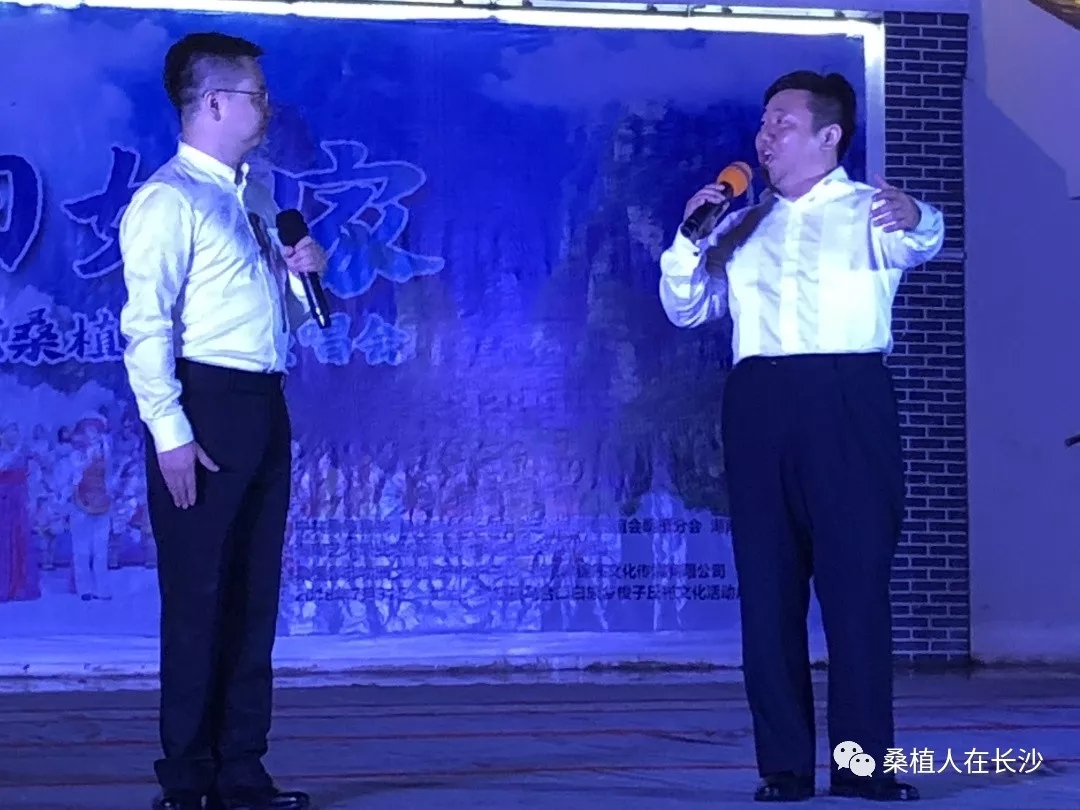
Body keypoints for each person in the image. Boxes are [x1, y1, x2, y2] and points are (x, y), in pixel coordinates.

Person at [658, 71, 944, 802]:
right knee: (768, 593)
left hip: (846, 398)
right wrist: (689, 240)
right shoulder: (741, 223)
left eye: (782, 123)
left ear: (829, 136)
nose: (766, 137)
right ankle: (784, 766)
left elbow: (923, 239)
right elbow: (687, 310)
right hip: (757, 402)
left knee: (855, 593)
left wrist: (917, 214)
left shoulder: (867, 210)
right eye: (763, 123)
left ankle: (863, 766)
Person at [119, 32, 326, 810]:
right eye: (256, 96)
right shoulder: (170, 200)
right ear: (212, 103)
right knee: (198, 596)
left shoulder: (258, 197)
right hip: (202, 404)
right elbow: (146, 326)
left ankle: (243, 769)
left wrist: (302, 278)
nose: (267, 109)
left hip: (264, 399)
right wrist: (170, 432)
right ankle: (187, 777)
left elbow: (277, 324)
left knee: (252, 594)